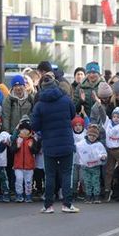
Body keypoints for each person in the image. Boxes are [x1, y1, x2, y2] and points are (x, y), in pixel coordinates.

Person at [31, 75, 80, 213]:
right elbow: (72, 115)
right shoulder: (66, 100)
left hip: (49, 144)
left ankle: (48, 205)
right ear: (56, 85)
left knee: (50, 175)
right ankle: (67, 204)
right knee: (66, 174)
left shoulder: (39, 104)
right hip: (66, 142)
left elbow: (34, 125)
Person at [75, 123, 107, 203]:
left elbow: (103, 153)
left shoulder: (99, 144)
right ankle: (88, 196)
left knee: (95, 181)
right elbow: (76, 147)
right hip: (85, 167)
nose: (92, 137)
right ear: (87, 135)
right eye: (90, 135)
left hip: (95, 167)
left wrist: (103, 157)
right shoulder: (82, 143)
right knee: (87, 181)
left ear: (97, 137)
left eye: (94, 136)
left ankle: (96, 196)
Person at [10, 118, 39, 203]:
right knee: (19, 180)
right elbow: (12, 150)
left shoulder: (32, 139)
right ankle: (19, 195)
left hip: (29, 165)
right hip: (18, 165)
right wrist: (17, 146)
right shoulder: (17, 139)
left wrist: (31, 147)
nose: (24, 131)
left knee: (28, 181)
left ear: (29, 131)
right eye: (22, 129)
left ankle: (28, 195)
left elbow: (36, 151)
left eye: (26, 129)